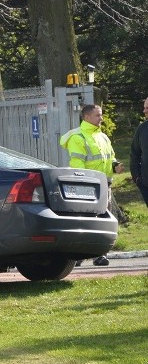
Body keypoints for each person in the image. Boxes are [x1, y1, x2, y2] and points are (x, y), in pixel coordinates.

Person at [60, 104, 125, 266]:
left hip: (104, 185)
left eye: (101, 115)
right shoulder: (78, 137)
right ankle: (79, 256)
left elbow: (110, 158)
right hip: (88, 187)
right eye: (98, 115)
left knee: (102, 221)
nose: (101, 118)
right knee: (85, 221)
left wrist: (115, 165)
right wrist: (85, 186)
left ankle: (99, 255)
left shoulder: (102, 137)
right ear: (87, 117)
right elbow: (78, 165)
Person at [130, 96, 148, 207]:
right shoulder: (142, 129)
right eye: (144, 107)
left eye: (147, 108)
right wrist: (137, 177)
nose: (144, 111)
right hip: (146, 183)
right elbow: (134, 153)